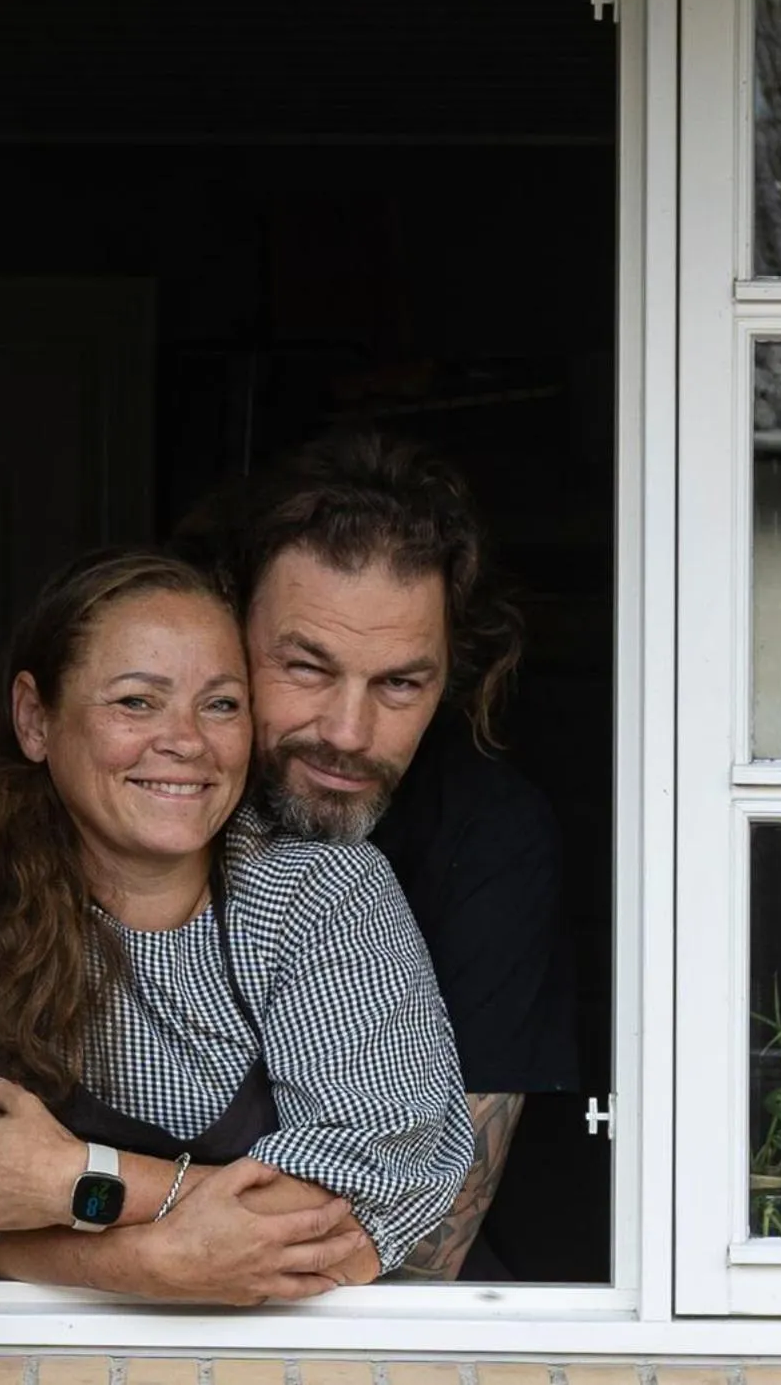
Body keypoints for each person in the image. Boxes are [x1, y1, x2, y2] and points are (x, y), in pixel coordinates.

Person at [0, 548, 473, 1302]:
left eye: (221, 705)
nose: (187, 741)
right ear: (36, 719)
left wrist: (78, 1182)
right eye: (137, 702)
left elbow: (367, 1205)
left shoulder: (318, 890)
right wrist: (151, 1262)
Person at [194, 432, 581, 1280]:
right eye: (306, 667)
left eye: (400, 684)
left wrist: (82, 1190)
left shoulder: (490, 835)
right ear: (224, 626)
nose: (347, 732)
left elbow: (425, 1243)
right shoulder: (153, 794)